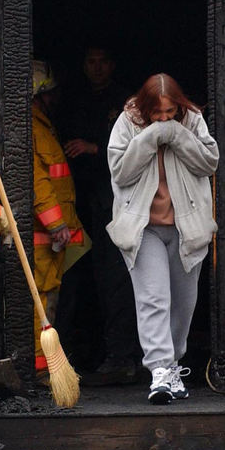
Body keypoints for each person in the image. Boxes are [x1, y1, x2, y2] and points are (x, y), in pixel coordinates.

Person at [106, 73, 219, 404]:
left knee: (183, 305)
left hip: (187, 228)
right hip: (144, 229)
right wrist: (151, 136)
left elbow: (209, 163)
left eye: (170, 113)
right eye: (158, 114)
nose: (165, 119)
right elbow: (120, 171)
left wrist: (177, 135)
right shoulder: (128, 121)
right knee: (154, 298)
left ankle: (172, 367)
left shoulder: (192, 119)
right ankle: (160, 373)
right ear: (146, 108)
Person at [58, 47, 140, 385]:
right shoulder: (72, 100)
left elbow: (137, 145)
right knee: (80, 279)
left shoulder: (126, 101)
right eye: (90, 61)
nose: (97, 67)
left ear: (113, 64)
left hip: (115, 202)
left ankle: (124, 356)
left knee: (116, 276)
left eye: (103, 60)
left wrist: (95, 147)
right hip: (76, 203)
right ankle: (86, 352)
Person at [30, 60, 88, 376]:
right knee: (43, 303)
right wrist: (55, 224)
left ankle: (53, 367)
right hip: (47, 235)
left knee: (58, 301)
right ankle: (43, 373)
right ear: (37, 94)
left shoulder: (43, 126)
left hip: (63, 232)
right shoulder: (33, 131)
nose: (55, 98)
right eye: (49, 92)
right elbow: (38, 183)